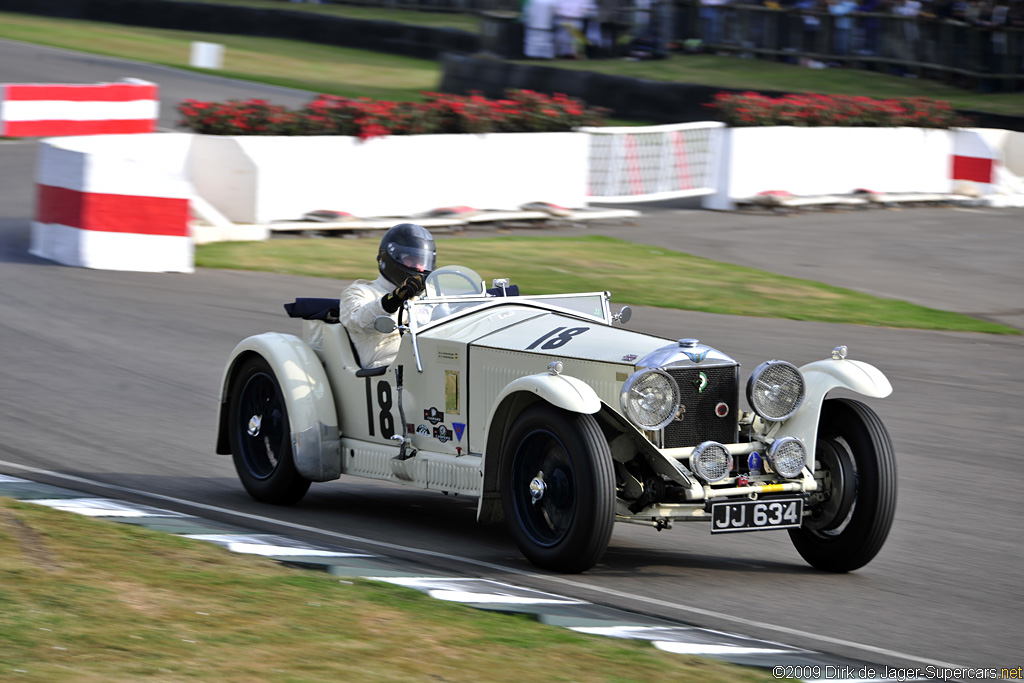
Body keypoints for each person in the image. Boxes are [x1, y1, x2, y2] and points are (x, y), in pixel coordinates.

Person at [338, 223, 436, 369]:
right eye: (411, 259)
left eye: (423, 261)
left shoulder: (430, 293)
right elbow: (359, 321)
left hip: (428, 356)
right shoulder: (358, 292)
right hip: (387, 368)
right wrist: (394, 299)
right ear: (389, 258)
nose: (420, 268)